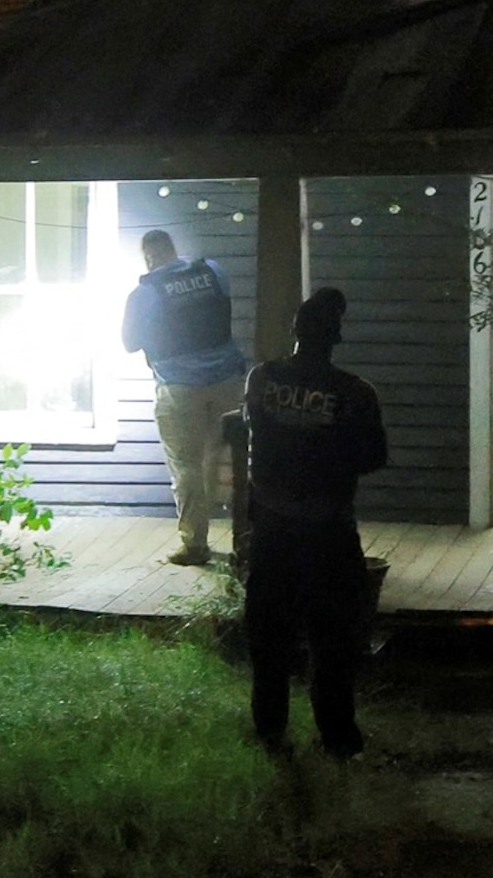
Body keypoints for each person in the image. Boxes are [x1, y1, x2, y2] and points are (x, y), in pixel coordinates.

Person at [241, 288, 387, 758]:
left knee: (269, 639)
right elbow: (374, 456)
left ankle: (269, 732)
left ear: (295, 332)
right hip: (328, 529)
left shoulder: (261, 379)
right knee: (333, 641)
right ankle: (338, 739)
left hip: (272, 526)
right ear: (336, 336)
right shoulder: (354, 392)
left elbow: (253, 436)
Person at [121, 228, 251, 566]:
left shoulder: (145, 293)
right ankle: (247, 539)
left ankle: (195, 545)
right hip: (228, 382)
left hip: (179, 388)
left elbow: (130, 343)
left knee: (186, 466)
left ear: (148, 256)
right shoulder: (212, 271)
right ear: (173, 249)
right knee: (229, 460)